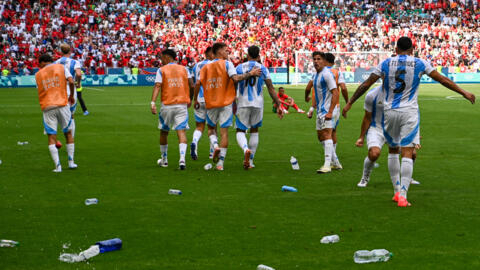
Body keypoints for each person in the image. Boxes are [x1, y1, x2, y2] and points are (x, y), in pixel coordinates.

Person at [343, 37, 475, 207]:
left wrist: (350, 102)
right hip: (409, 112)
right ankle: (403, 196)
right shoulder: (420, 63)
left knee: (392, 151)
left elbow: (366, 84)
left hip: (390, 112)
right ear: (412, 50)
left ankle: (396, 192)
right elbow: (443, 80)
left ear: (396, 49)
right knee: (407, 152)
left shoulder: (385, 63)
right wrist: (463, 92)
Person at [193, 42, 261, 171]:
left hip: (211, 103)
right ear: (218, 52)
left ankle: (215, 145)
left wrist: (195, 99)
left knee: (211, 130)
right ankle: (220, 164)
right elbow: (235, 79)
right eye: (225, 50)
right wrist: (250, 74)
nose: (227, 52)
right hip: (226, 103)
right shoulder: (227, 64)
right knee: (224, 133)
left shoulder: (205, 67)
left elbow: (197, 83)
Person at [355, 86, 421, 188]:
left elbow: (412, 114)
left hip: (395, 129)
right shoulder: (372, 95)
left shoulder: (403, 94)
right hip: (377, 129)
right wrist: (361, 137)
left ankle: (407, 178)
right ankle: (365, 178)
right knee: (374, 154)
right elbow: (367, 117)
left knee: (412, 154)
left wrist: (413, 134)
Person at [235, 46, 283, 169]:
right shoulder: (263, 68)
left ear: (247, 54)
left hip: (243, 102)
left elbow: (233, 83)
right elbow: (271, 89)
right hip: (258, 103)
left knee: (240, 130)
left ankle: (246, 149)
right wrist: (278, 104)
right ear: (258, 55)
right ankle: (250, 162)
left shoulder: (239, 67)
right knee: (254, 130)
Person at [150, 49, 194, 170]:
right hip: (181, 105)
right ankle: (182, 160)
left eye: (162, 57)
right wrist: (190, 99)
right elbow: (192, 85)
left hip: (167, 105)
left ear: (167, 57)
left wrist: (153, 102)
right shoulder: (185, 69)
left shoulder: (162, 70)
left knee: (164, 132)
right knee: (181, 132)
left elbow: (157, 85)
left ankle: (164, 160)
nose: (161, 60)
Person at [34, 53, 77, 172]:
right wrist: (71, 96)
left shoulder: (38, 74)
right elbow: (71, 81)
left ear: (42, 62)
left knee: (51, 136)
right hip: (62, 104)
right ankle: (71, 162)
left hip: (47, 106)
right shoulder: (61, 67)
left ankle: (58, 166)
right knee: (68, 133)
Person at [307, 53, 349, 169]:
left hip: (330, 108)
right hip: (324, 109)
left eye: (319, 59)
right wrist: (312, 107)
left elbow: (336, 92)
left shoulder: (327, 74)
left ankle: (327, 165)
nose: (316, 61)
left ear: (324, 61)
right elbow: (314, 92)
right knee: (322, 136)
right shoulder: (317, 74)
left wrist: (330, 111)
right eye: (314, 59)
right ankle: (335, 162)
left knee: (327, 134)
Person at [190, 46, 214, 160]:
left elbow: (194, 84)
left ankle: (194, 142)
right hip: (211, 99)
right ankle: (212, 152)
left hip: (199, 99)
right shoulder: (214, 65)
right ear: (211, 54)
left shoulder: (196, 66)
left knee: (199, 127)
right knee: (212, 127)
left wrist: (194, 99)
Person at [54, 43, 83, 136]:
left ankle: (56, 137)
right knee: (71, 115)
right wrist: (78, 83)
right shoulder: (75, 62)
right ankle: (71, 140)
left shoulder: (56, 62)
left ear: (60, 52)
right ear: (70, 51)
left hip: (59, 89)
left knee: (59, 114)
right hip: (70, 88)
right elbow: (78, 74)